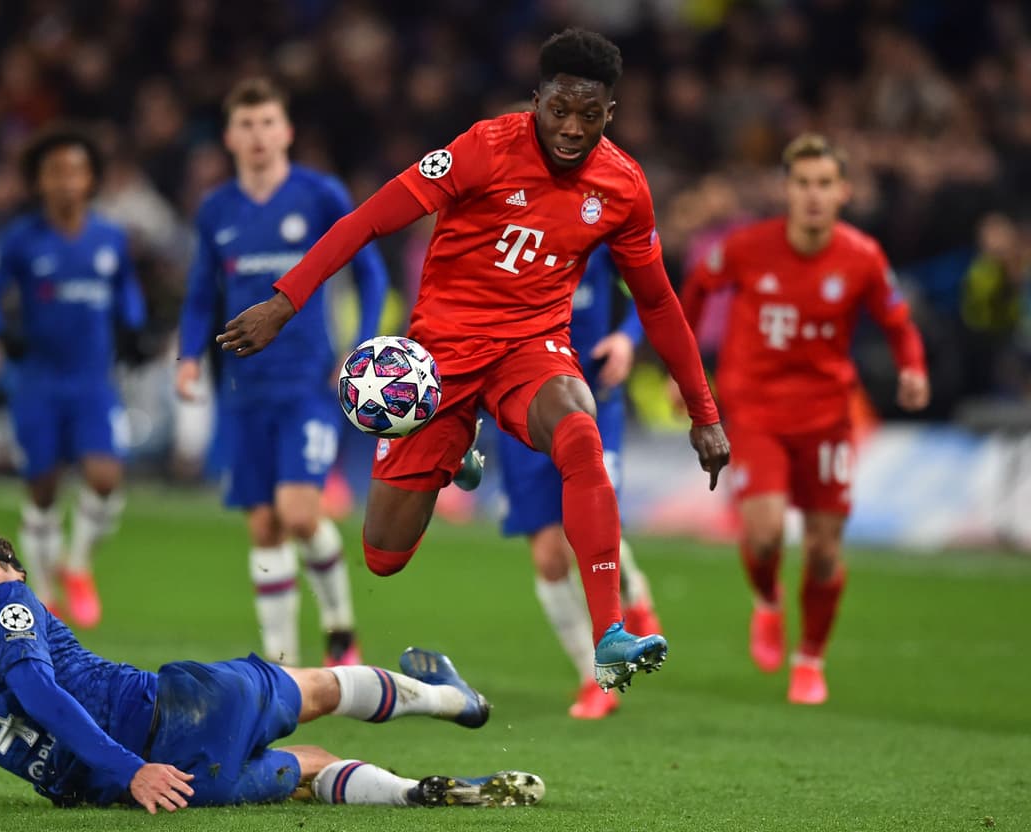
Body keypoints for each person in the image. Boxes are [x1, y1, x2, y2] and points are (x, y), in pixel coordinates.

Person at [215, 29, 730, 695]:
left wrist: (703, 411)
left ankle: (610, 635)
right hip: (438, 364)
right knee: (383, 556)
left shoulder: (625, 186)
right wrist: (286, 300)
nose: (572, 129)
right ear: (537, 99)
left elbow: (659, 303)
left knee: (580, 431)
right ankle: (455, 446)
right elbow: (368, 219)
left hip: (531, 350)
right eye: (559, 110)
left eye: (590, 114)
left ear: (613, 111)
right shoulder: (483, 148)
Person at [0, 529, 544, 811]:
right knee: (314, 688)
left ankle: (419, 794)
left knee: (305, 770)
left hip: (161, 793)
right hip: (166, 721)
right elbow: (38, 690)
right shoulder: (7, 603)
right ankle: (454, 699)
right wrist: (137, 764)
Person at [678, 133, 930, 704]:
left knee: (821, 551)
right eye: (802, 184)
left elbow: (897, 320)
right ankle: (768, 602)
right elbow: (691, 292)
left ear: (843, 191)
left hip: (826, 417)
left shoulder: (862, 256)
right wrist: (682, 371)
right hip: (757, 410)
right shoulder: (746, 248)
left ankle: (810, 659)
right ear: (785, 190)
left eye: (824, 184)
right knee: (764, 537)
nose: (813, 195)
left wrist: (911, 367)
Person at [177, 78, 388, 667]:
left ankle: (341, 629)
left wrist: (361, 346)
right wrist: (189, 355)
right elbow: (201, 292)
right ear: (229, 137)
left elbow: (370, 272)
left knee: (299, 515)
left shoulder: (319, 194)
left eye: (268, 123)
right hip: (243, 388)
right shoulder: (216, 208)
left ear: (287, 131)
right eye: (246, 125)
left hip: (308, 383)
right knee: (264, 526)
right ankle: (281, 666)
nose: (258, 136)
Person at [0, 127, 146, 629]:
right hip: (39, 383)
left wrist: (134, 327)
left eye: (76, 171)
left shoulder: (110, 237)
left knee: (106, 478)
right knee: (44, 488)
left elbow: (126, 294)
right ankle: (43, 589)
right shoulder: (21, 240)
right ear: (39, 182)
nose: (67, 181)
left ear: (90, 178)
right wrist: (0, 333)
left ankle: (77, 564)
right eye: (55, 172)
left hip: (93, 382)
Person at [496, 244, 663, 719]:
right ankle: (593, 678)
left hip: (590, 396)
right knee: (549, 557)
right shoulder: (497, 228)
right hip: (520, 403)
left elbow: (648, 292)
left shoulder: (597, 223)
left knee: (581, 530)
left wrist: (628, 338)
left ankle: (635, 596)